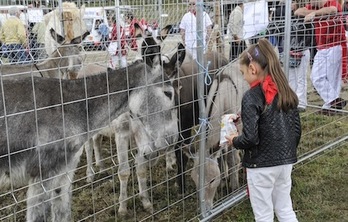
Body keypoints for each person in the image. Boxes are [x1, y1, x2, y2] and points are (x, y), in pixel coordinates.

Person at [225, 38, 301, 222]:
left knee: (264, 215)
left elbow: (250, 138)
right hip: (285, 163)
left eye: (243, 72)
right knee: (285, 208)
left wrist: (234, 140)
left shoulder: (251, 96)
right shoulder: (286, 91)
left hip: (261, 167)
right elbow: (296, 129)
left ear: (253, 69)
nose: (243, 77)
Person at [295, 0, 347, 114]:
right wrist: (314, 12)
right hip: (322, 47)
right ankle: (334, 101)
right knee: (316, 77)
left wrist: (314, 14)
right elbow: (298, 11)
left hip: (335, 45)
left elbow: (332, 10)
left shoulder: (332, 2)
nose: (310, 2)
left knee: (333, 79)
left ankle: (330, 107)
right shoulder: (313, 6)